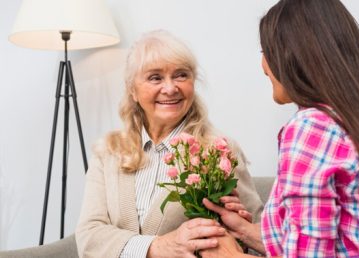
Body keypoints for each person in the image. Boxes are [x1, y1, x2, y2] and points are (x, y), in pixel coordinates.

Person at [201, 0, 359, 257]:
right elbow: (333, 242)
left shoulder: (311, 128)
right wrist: (243, 230)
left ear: (292, 56)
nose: (264, 67)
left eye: (265, 51)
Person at [75, 30, 263, 258]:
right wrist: (156, 247)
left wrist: (236, 233)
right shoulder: (108, 150)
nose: (171, 88)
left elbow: (255, 236)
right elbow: (89, 235)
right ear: (132, 90)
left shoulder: (219, 150)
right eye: (155, 77)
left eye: (181, 75)